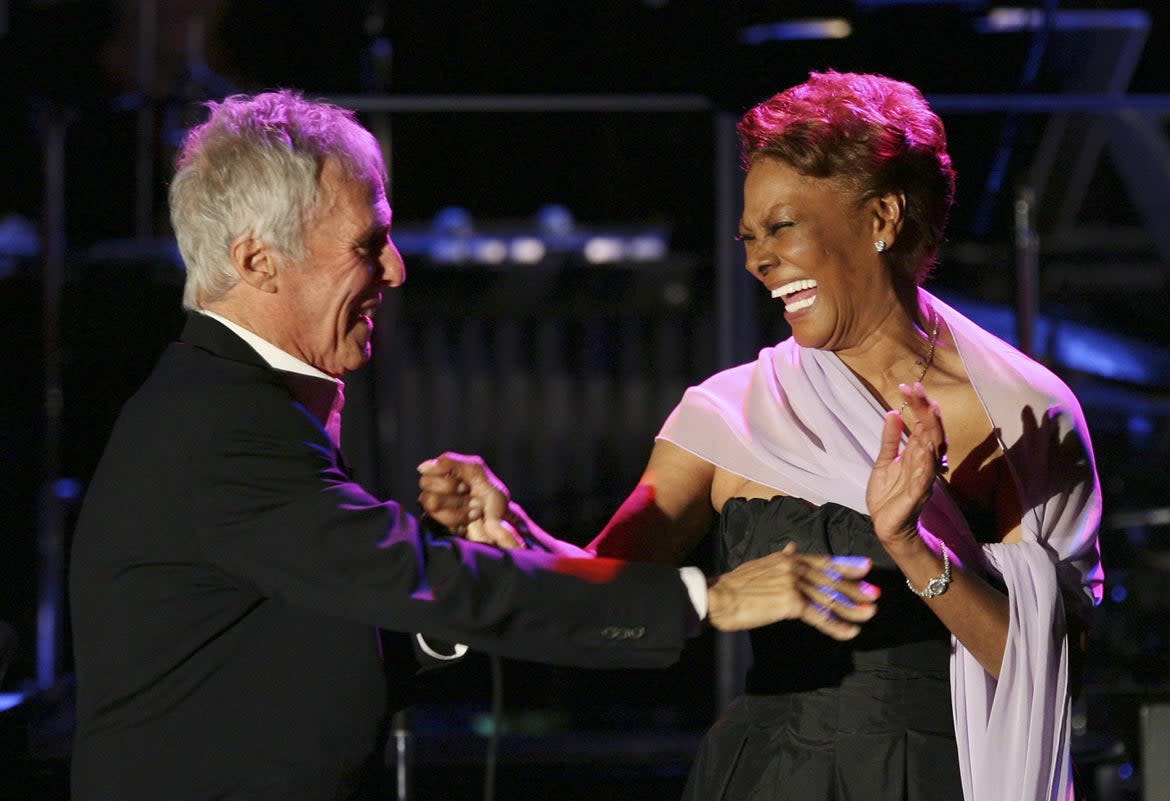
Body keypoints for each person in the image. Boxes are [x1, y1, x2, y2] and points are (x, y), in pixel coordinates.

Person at [65, 90, 882, 801]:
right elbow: (405, 576)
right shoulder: (219, 421)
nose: (396, 268)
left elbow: (307, 626)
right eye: (365, 244)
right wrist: (711, 598)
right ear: (257, 261)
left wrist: (460, 596)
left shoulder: (230, 402)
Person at [418, 70, 1104, 801]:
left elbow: (1050, 662)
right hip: (765, 777)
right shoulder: (730, 410)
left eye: (781, 227)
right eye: (748, 237)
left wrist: (910, 544)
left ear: (881, 219)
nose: (756, 260)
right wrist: (514, 531)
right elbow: (606, 593)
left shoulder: (1020, 412)